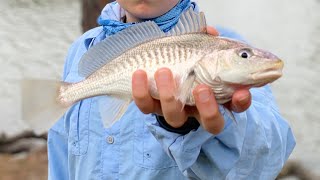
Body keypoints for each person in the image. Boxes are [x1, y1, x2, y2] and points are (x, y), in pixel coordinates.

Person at [47, 0, 296, 179]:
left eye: (243, 56)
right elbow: (61, 153)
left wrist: (195, 127)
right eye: (244, 55)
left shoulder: (223, 39)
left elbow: (267, 157)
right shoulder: (82, 48)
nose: (244, 55)